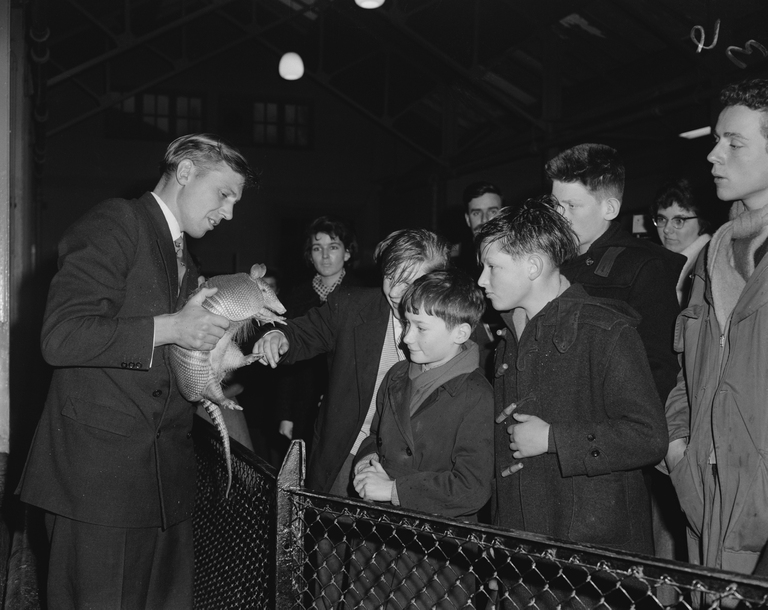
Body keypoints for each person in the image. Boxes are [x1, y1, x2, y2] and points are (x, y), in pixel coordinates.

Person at [17, 133, 257, 609]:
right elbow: (61, 335)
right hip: (97, 489)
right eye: (224, 194)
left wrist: (224, 345)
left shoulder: (185, 256)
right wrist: (173, 327)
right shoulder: (117, 222)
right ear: (185, 172)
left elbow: (171, 362)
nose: (228, 213)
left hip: (164, 490)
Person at [477, 196, 668, 554]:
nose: (481, 279)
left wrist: (554, 439)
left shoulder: (605, 331)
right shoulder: (508, 337)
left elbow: (649, 437)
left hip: (591, 555)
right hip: (521, 546)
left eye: (492, 267)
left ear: (533, 266)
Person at [253, 228, 451, 496]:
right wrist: (278, 336)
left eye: (407, 283)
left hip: (417, 467)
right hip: (348, 453)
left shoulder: (453, 323)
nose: (393, 291)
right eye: (389, 276)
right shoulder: (351, 306)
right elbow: (302, 331)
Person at [665, 77, 768, 575]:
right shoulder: (715, 252)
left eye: (735, 142)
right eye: (715, 140)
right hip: (707, 492)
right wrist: (678, 446)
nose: (714, 155)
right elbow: (689, 368)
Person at [347, 268, 493, 607]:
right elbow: (376, 433)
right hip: (379, 541)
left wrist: (394, 490)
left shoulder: (475, 395)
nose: (407, 338)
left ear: (460, 332)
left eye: (420, 328)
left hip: (439, 553)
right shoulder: (398, 374)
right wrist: (368, 460)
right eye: (406, 324)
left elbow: (472, 486)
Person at [276, 215, 361, 458]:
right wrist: (285, 414)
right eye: (317, 248)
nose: (325, 255)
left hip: (345, 407)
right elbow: (285, 363)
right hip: (303, 406)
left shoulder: (362, 297)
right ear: (309, 254)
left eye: (333, 247)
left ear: (346, 253)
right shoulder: (293, 299)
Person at [651, 177, 714, 305]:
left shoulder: (711, 264)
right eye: (662, 219)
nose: (667, 230)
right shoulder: (658, 260)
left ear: (702, 222)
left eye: (679, 221)